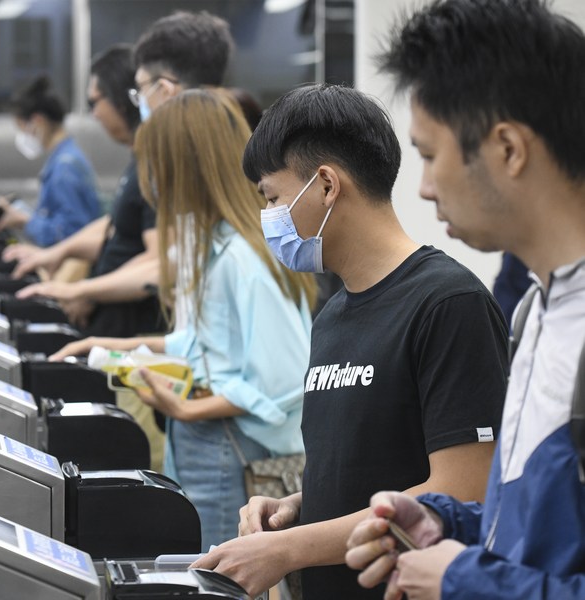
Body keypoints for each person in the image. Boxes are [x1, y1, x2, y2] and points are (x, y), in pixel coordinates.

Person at [191, 84, 510, 599]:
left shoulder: (449, 304)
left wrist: (290, 549)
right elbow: (370, 468)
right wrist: (300, 506)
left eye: (272, 197)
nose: (267, 217)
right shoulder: (333, 313)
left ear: (325, 185)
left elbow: (463, 490)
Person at [344, 1, 585, 599]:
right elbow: (546, 532)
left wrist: (464, 580)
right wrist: (449, 527)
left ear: (507, 148)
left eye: (429, 155)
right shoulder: (537, 307)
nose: (424, 187)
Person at [51, 89, 316, 550]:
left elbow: (284, 377)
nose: (147, 178)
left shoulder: (241, 257)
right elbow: (202, 344)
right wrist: (113, 349)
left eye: (153, 162)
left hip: (230, 451)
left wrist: (190, 408)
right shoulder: (211, 245)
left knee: (217, 575)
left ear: (183, 167)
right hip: (204, 443)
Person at [12, 11, 235, 331]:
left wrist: (83, 290)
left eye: (140, 90)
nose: (139, 102)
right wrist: (63, 256)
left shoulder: (181, 163)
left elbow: (163, 261)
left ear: (166, 91)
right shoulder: (176, 153)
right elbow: (129, 231)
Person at [2, 45, 163, 336]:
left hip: (130, 324)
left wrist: (85, 290)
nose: (95, 114)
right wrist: (59, 254)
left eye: (95, 102)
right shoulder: (138, 157)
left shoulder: (70, 165)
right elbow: (115, 226)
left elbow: (156, 258)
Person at [0, 75, 102, 247]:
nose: (23, 137)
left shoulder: (65, 167)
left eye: (22, 128)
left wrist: (27, 222)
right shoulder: (63, 158)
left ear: (37, 121)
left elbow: (70, 234)